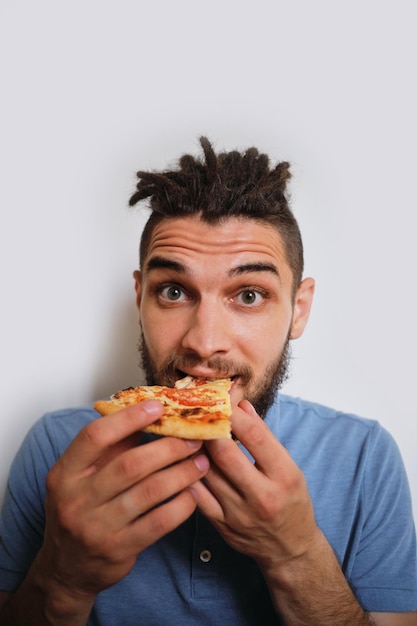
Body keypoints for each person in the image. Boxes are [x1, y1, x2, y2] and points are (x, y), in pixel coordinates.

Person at [0, 137, 416, 626]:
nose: (204, 342)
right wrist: (63, 579)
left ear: (298, 310)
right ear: (140, 300)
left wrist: (296, 556)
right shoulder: (58, 447)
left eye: (249, 295)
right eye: (173, 291)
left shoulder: (365, 456)